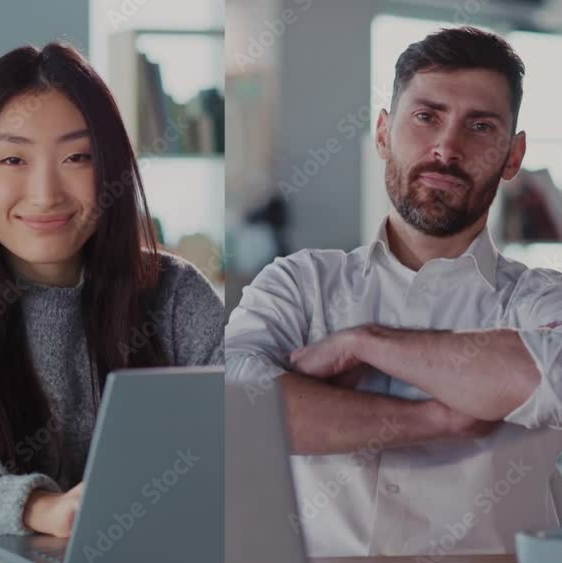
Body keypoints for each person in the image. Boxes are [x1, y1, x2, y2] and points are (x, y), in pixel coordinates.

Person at [225, 26, 562, 558]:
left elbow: (555, 375)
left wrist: (366, 342)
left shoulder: (541, 298)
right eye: (426, 116)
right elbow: (238, 408)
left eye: (480, 126)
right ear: (382, 133)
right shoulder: (298, 284)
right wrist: (437, 419)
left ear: (513, 157)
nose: (447, 148)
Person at [0, 43, 224, 541]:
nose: (45, 193)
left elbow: (247, 439)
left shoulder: (175, 295)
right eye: (13, 159)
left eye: (76, 156)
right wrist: (35, 507)